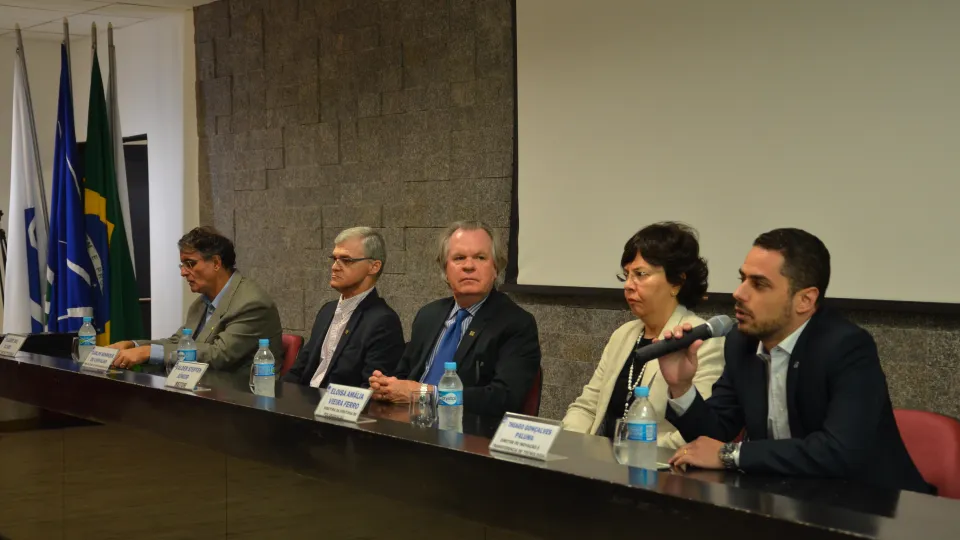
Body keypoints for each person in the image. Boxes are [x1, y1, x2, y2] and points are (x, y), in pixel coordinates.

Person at [661, 228, 930, 493]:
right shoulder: (741, 343)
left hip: (874, 505)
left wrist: (731, 455)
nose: (739, 293)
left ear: (805, 300)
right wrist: (681, 387)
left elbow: (838, 450)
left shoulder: (846, 347)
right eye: (742, 279)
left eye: (759, 284)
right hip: (788, 499)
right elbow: (714, 433)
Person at [562, 222, 725, 449]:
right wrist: (569, 443)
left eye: (640, 274)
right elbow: (587, 407)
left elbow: (698, 434)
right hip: (601, 459)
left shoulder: (700, 341)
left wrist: (635, 451)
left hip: (660, 464)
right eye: (626, 275)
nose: (628, 285)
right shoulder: (623, 335)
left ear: (677, 282)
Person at [368, 220, 541, 418]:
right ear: (445, 270)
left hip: (466, 431)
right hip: (410, 423)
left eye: (480, 257)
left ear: (495, 268)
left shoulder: (516, 324)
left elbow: (504, 398)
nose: (469, 266)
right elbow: (405, 373)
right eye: (459, 258)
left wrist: (425, 394)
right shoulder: (428, 315)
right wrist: (387, 386)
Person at [109, 226, 283, 371]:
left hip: (242, 395)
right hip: (202, 390)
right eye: (182, 265)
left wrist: (148, 353)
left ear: (216, 263)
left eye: (190, 264)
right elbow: (177, 342)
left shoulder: (251, 304)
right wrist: (133, 345)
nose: (183, 272)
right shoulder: (200, 304)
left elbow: (218, 355)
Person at [283, 227, 404, 388]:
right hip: (305, 399)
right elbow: (298, 370)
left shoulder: (383, 321)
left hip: (337, 403)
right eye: (334, 258)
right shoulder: (327, 310)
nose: (335, 267)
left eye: (346, 260)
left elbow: (371, 389)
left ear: (374, 267)